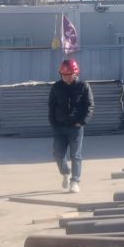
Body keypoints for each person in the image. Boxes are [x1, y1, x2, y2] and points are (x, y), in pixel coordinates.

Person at [48, 58, 92, 192]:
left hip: (76, 128)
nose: (66, 77)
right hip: (59, 127)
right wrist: (53, 123)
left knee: (75, 155)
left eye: (69, 74)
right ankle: (65, 172)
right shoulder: (56, 87)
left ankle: (75, 181)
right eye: (64, 75)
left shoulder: (83, 86)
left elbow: (89, 106)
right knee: (58, 154)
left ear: (75, 73)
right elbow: (51, 106)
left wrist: (82, 122)